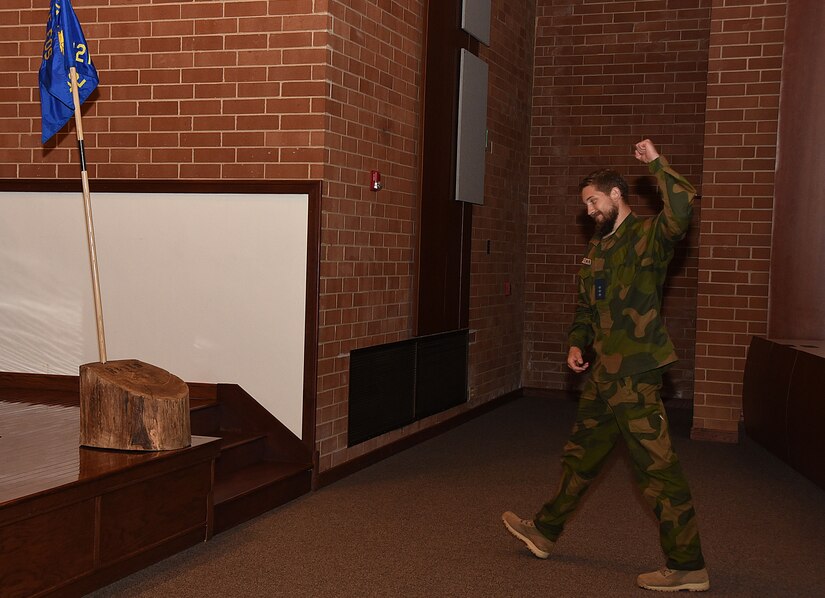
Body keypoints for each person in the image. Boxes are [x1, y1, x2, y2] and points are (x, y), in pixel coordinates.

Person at [502, 139, 709, 592]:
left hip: (635, 375)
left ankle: (688, 564)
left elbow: (682, 209)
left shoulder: (649, 237)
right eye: (587, 205)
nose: (590, 211)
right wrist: (578, 343)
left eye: (594, 201)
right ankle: (545, 531)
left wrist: (656, 163)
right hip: (604, 376)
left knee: (658, 470)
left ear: (617, 196)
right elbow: (586, 309)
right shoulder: (598, 250)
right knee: (581, 457)